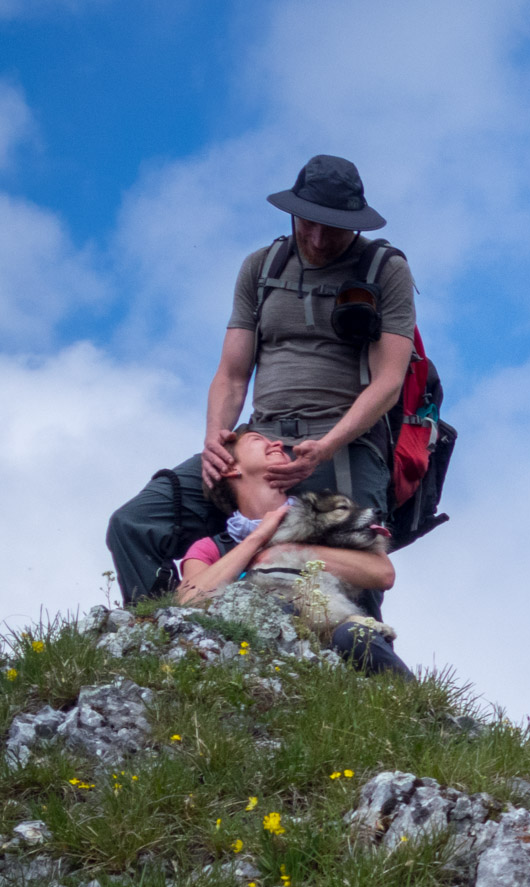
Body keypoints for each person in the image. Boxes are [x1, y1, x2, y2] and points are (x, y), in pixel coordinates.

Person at [106, 154, 416, 606]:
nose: (316, 237)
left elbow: (389, 381)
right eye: (307, 222)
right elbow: (232, 375)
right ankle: (162, 632)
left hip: (343, 448)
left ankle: (350, 663)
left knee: (351, 582)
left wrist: (324, 448)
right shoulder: (262, 268)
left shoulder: (385, 271)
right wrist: (216, 442)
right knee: (134, 524)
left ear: (355, 224)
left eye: (332, 227)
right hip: (258, 442)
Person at [178, 425, 410, 677]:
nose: (278, 444)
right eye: (257, 439)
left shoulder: (328, 517)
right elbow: (188, 602)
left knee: (353, 636)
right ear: (231, 467)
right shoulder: (212, 547)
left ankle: (423, 712)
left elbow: (383, 574)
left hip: (335, 642)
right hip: (255, 659)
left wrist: (287, 551)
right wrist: (257, 539)